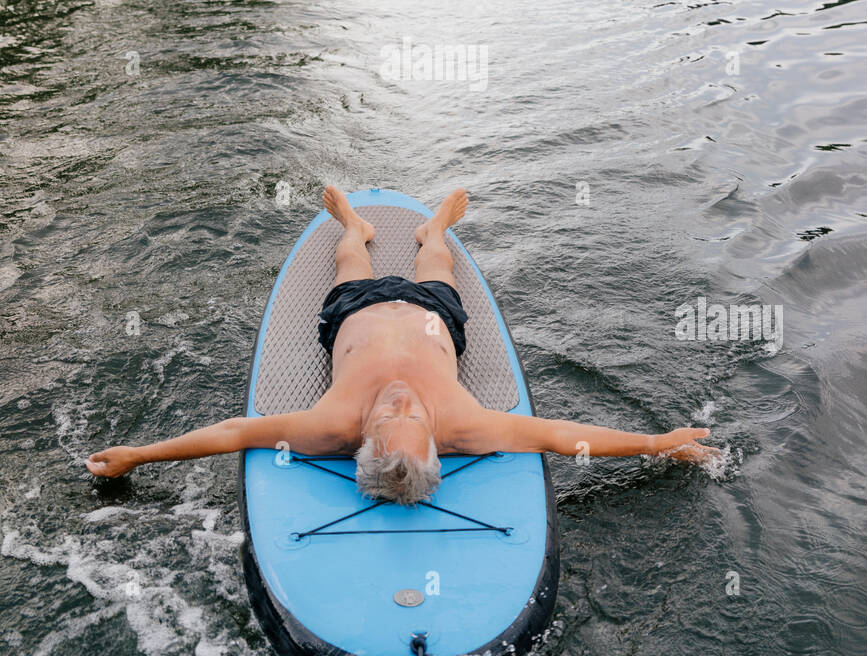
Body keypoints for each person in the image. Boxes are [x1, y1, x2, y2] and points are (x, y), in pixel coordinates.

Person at [86, 187, 717, 502]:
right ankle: (433, 227)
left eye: (395, 416)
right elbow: (562, 437)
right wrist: (656, 444)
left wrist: (138, 456)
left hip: (353, 314)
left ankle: (361, 227)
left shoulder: (330, 424)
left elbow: (231, 434)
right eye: (408, 415)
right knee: (435, 259)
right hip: (433, 315)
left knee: (346, 256)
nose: (403, 402)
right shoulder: (462, 422)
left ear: (363, 442)